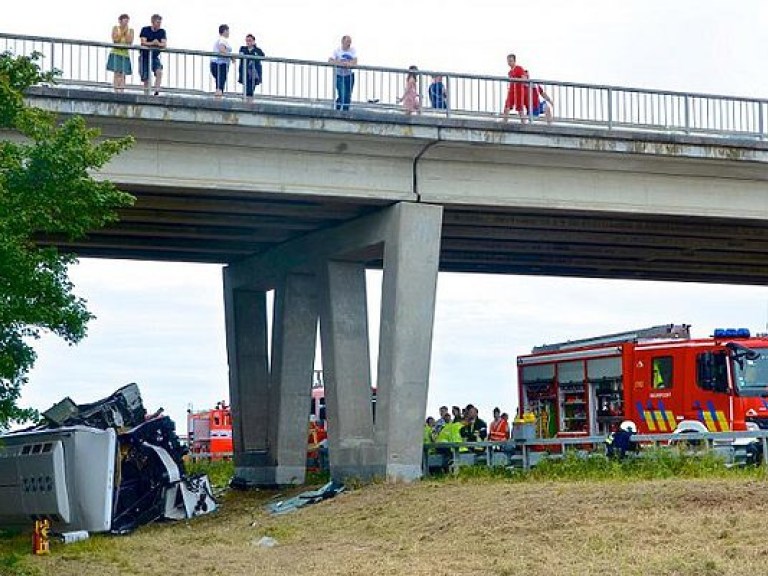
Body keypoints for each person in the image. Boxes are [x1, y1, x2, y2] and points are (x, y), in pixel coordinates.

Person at [139, 14, 167, 95]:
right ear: (152, 22)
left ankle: (156, 91)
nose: (159, 24)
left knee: (159, 71)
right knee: (146, 77)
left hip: (154, 56)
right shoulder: (145, 29)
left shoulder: (162, 31)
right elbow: (143, 42)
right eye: (157, 22)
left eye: (160, 22)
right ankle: (146, 94)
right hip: (144, 56)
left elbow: (164, 44)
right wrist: (153, 43)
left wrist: (157, 43)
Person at [328, 35, 357, 111]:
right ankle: (339, 109)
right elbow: (330, 60)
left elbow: (355, 61)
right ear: (343, 42)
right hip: (339, 76)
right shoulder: (337, 50)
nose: (349, 44)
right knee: (342, 94)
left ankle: (345, 111)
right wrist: (340, 63)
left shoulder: (352, 50)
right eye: (347, 42)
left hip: (349, 76)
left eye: (350, 42)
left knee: (347, 96)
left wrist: (350, 64)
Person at [107, 14, 134, 93]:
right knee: (117, 72)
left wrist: (126, 34)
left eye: (127, 21)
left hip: (125, 54)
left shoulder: (131, 30)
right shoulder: (116, 28)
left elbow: (129, 42)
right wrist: (122, 32)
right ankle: (116, 90)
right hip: (116, 53)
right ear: (120, 21)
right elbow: (115, 40)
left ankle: (122, 90)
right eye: (125, 21)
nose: (126, 23)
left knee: (123, 73)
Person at [238, 34, 265, 101]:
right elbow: (240, 56)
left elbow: (263, 56)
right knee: (246, 88)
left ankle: (249, 102)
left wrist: (255, 48)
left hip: (254, 73)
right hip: (245, 72)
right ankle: (247, 101)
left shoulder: (258, 50)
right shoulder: (243, 48)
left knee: (251, 89)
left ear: (253, 41)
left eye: (250, 41)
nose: (248, 42)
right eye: (247, 41)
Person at [210, 24, 233, 97]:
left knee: (219, 83)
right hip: (220, 64)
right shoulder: (223, 39)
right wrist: (231, 56)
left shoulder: (219, 39)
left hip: (216, 63)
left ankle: (218, 95)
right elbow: (222, 49)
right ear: (225, 31)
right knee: (220, 83)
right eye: (228, 31)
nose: (229, 33)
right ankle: (218, 98)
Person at [502, 53, 526, 122]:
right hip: (511, 91)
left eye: (511, 61)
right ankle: (505, 121)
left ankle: (523, 123)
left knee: (520, 108)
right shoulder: (509, 72)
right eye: (508, 61)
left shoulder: (519, 68)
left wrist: (517, 80)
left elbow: (524, 78)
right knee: (507, 106)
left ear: (514, 61)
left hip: (519, 91)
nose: (509, 62)